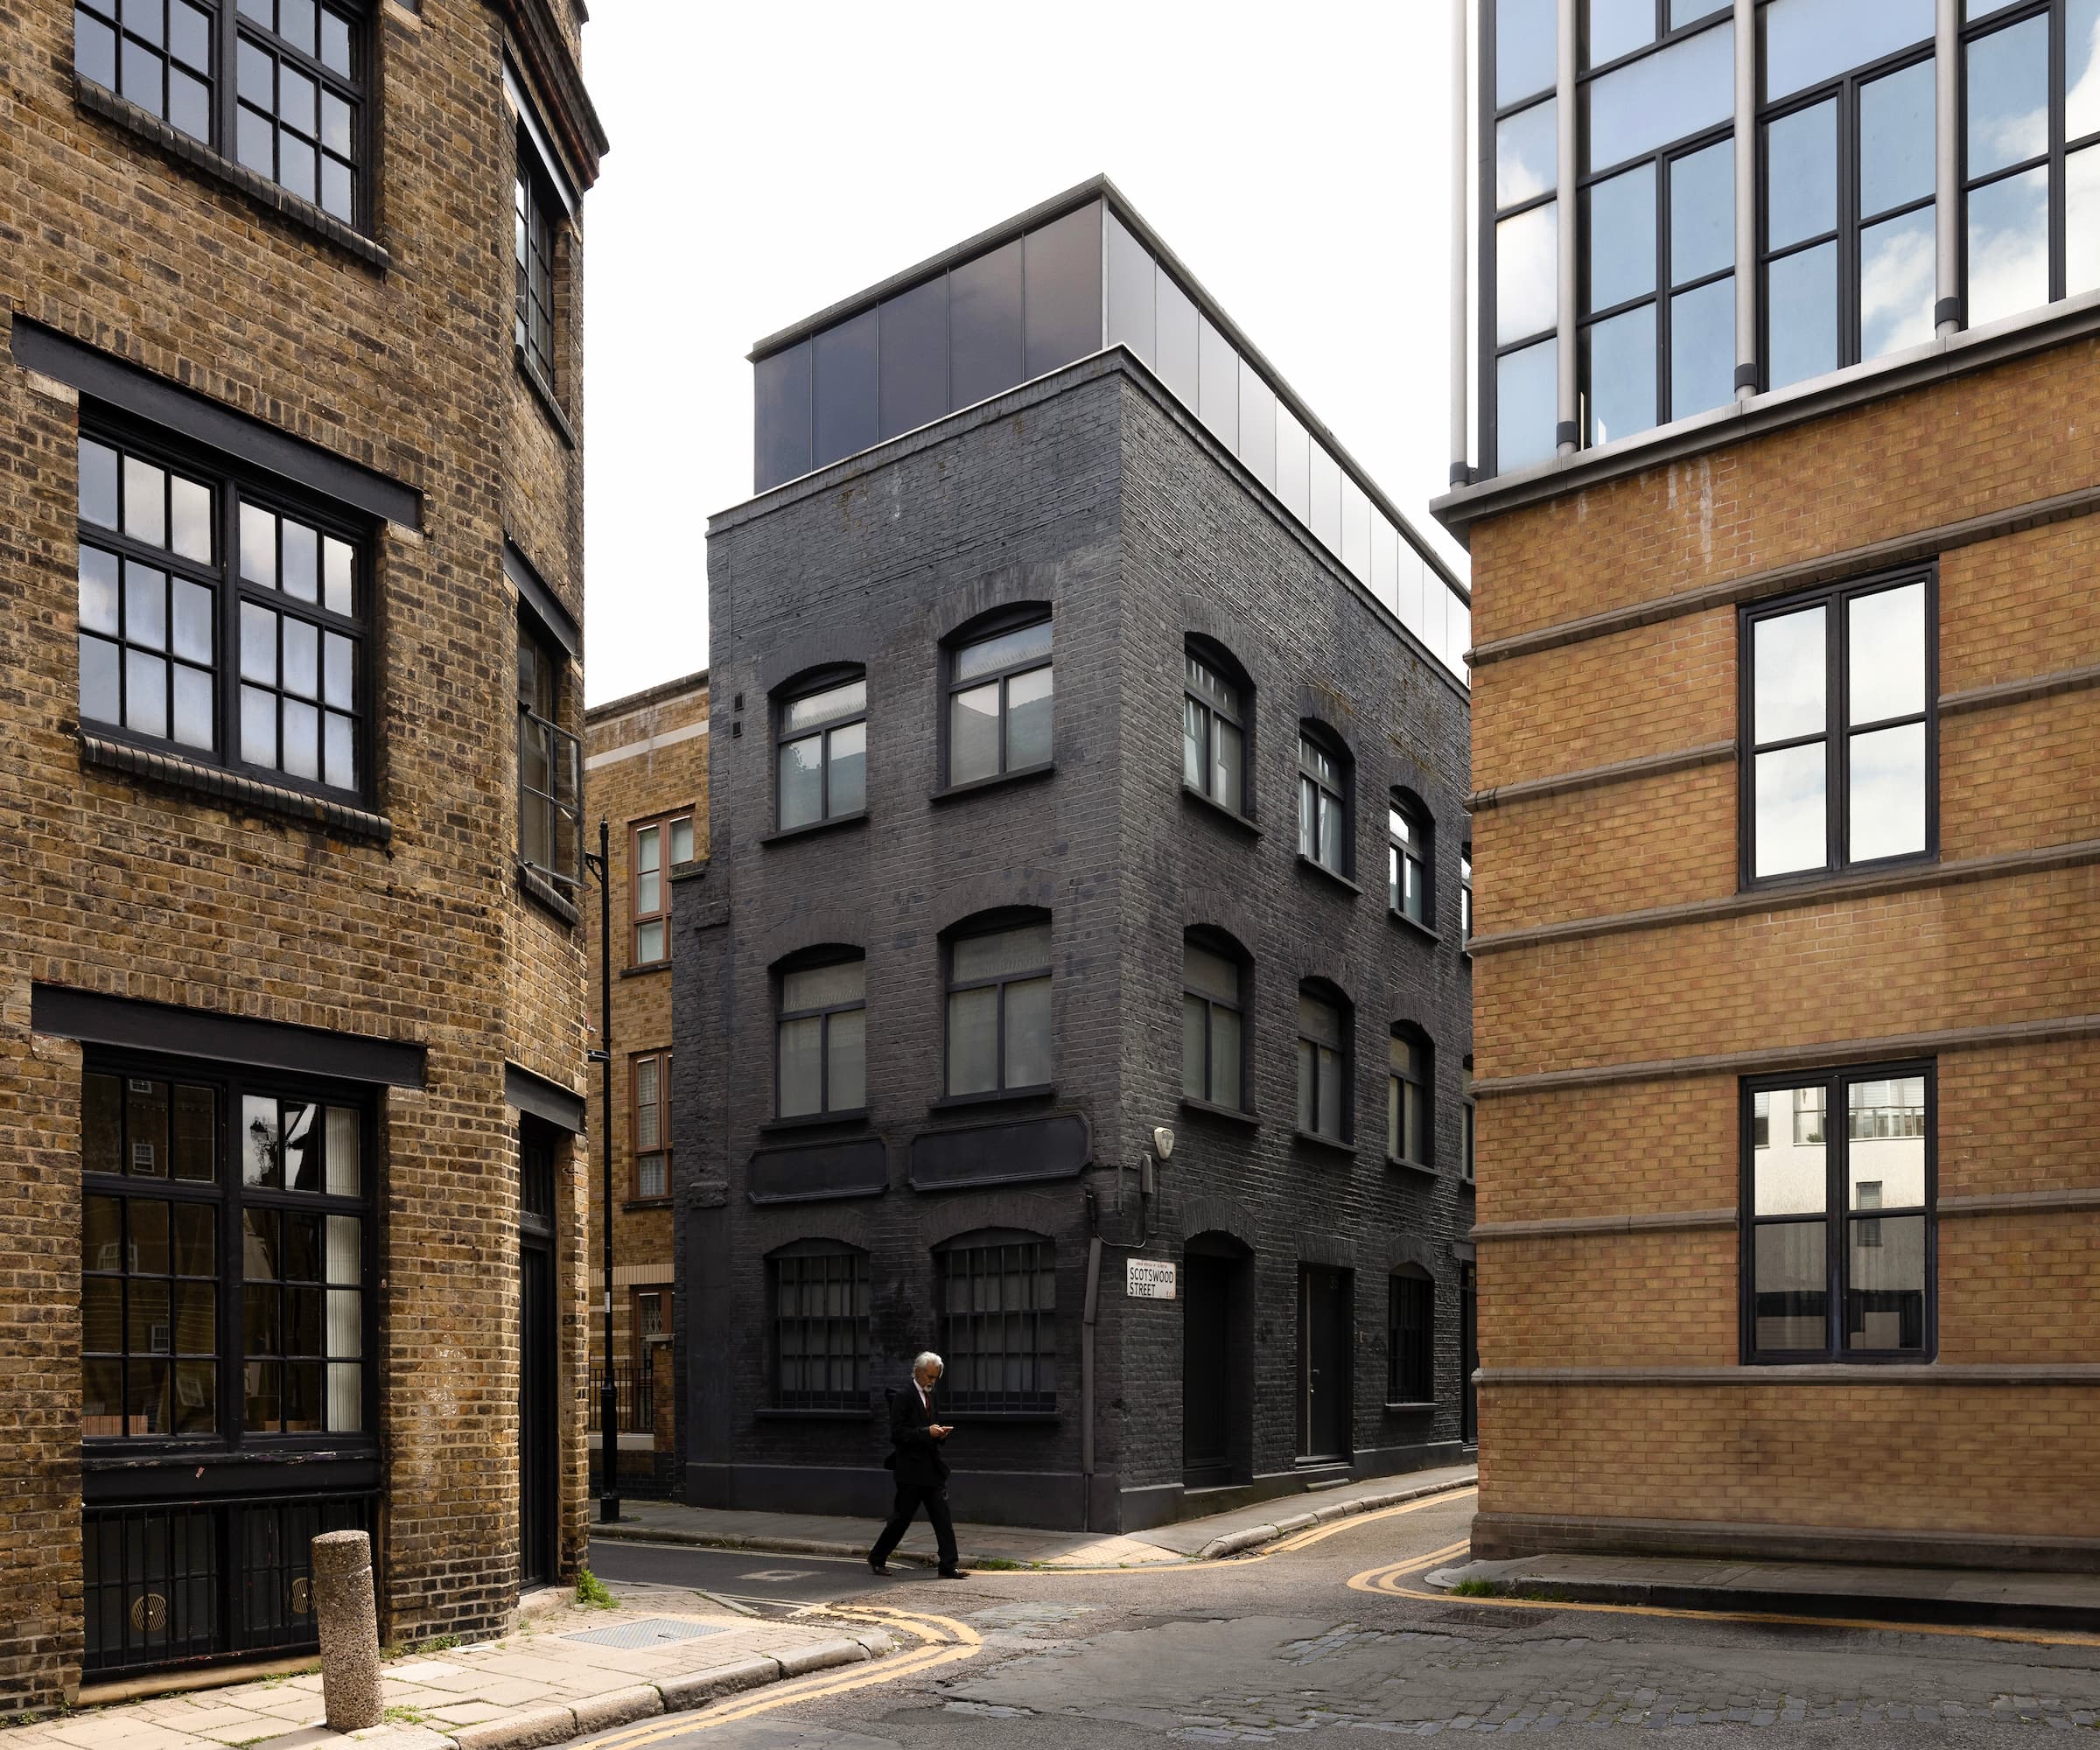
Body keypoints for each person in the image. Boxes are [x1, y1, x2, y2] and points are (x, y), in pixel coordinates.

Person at [868, 1350, 968, 1578]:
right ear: (919, 1372)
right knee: (901, 1519)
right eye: (930, 1377)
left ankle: (948, 1565)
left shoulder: (930, 1396)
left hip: (931, 1470)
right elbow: (897, 1434)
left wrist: (940, 1434)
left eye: (936, 1377)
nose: (933, 1382)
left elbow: (928, 1431)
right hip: (910, 1472)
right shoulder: (903, 1396)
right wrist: (926, 1432)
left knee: (943, 1519)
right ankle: (877, 1557)